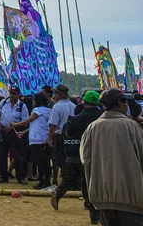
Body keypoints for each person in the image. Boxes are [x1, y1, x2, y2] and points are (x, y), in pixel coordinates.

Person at [81, 88, 143, 225]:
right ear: (120, 104)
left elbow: (85, 159)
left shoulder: (92, 128)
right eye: (125, 102)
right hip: (130, 197)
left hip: (102, 197)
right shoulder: (132, 127)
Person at [51, 91, 102, 223]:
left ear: (84, 102)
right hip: (94, 155)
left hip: (75, 154)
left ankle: (58, 193)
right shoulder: (101, 117)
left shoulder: (76, 119)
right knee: (90, 182)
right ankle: (93, 214)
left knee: (70, 178)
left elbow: (68, 136)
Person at [10, 93, 52, 189]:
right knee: (46, 161)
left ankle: (42, 181)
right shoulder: (49, 110)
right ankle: (47, 180)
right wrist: (24, 132)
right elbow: (36, 124)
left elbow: (27, 121)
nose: (33, 102)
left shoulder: (37, 110)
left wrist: (15, 125)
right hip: (45, 138)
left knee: (39, 162)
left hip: (37, 140)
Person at [0, 86, 29, 184]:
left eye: (14, 94)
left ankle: (20, 177)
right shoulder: (3, 103)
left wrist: (13, 126)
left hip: (15, 131)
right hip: (3, 131)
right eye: (11, 93)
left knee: (18, 155)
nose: (12, 96)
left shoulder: (22, 106)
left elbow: (25, 121)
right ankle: (3, 176)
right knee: (2, 155)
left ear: (18, 95)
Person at [47, 84, 76, 183]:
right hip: (71, 135)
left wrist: (50, 138)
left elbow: (53, 125)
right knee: (70, 158)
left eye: (55, 93)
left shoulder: (57, 107)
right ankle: (70, 179)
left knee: (58, 159)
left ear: (60, 94)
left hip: (59, 135)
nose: (54, 95)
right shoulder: (73, 106)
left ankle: (59, 179)